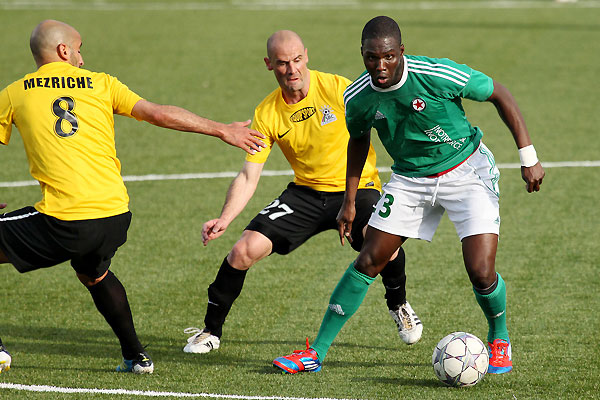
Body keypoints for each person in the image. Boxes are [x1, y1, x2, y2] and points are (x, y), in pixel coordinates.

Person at [273, 16, 545, 375]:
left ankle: (500, 337)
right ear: (362, 54)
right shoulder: (357, 97)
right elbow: (358, 139)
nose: (380, 66)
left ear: (401, 51)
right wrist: (350, 201)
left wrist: (528, 157)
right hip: (409, 179)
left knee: (481, 272)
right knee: (369, 259)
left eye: (387, 56)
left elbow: (500, 94)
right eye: (371, 58)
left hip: (466, 171)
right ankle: (315, 353)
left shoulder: (437, 74)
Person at [0, 19, 265, 374]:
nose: (81, 57)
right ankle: (136, 356)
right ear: (64, 51)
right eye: (78, 49)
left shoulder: (15, 93)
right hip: (114, 217)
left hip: (67, 219)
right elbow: (157, 114)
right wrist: (220, 130)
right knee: (93, 274)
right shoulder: (101, 83)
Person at [182, 30, 422, 357]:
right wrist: (226, 217)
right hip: (306, 194)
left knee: (382, 241)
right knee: (242, 251)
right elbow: (249, 174)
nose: (292, 69)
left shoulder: (340, 89)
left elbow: (387, 119)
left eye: (297, 60)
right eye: (282, 63)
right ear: (269, 65)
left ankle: (399, 305)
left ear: (306, 55)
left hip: (358, 187)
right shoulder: (267, 113)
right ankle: (210, 330)